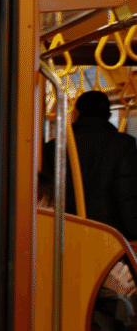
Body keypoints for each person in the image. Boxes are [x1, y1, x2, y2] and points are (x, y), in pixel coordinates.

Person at [43, 89, 137, 240]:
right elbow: (126, 194)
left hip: (63, 230)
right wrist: (133, 232)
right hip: (108, 233)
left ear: (77, 113)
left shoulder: (53, 146)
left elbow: (46, 195)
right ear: (108, 116)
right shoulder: (124, 145)